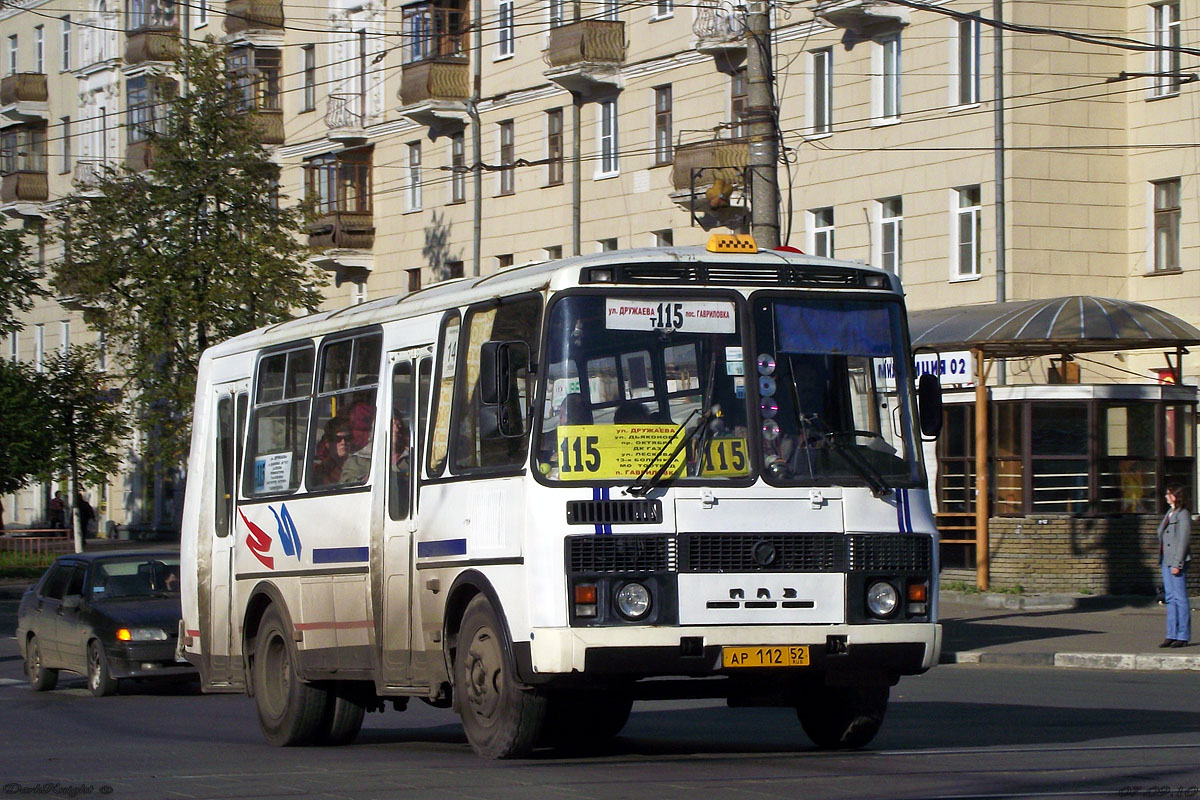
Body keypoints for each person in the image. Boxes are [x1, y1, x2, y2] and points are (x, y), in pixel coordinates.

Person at [1156, 485, 1192, 648]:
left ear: (1176, 496)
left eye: (1168, 494)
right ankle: (1171, 633)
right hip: (1166, 560)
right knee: (1170, 598)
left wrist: (1178, 563)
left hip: (1176, 561)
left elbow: (1183, 541)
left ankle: (1183, 635)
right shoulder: (1169, 513)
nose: (1166, 496)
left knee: (1180, 598)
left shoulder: (1183, 514)